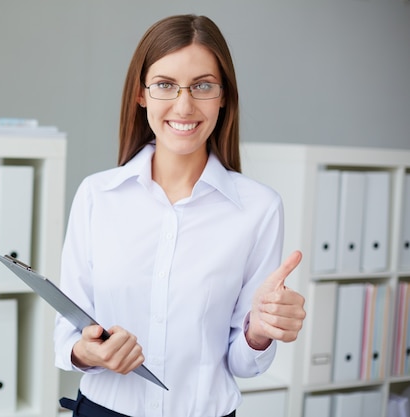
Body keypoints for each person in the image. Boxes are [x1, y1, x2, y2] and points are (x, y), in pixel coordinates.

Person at [54, 14, 306, 417]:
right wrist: (87, 352)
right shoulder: (97, 196)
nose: (184, 105)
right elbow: (67, 334)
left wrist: (259, 332)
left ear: (224, 96)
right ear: (141, 94)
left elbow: (242, 363)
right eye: (165, 85)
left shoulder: (259, 208)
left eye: (203, 85)